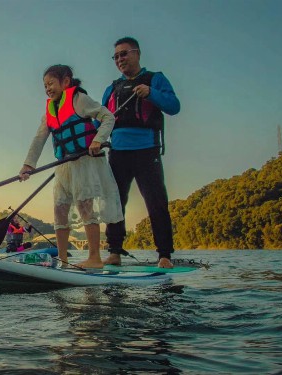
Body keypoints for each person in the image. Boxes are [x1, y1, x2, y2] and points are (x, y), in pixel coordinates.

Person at [19, 65, 122, 269]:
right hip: (64, 166)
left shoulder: (79, 99)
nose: (47, 88)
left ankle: (94, 258)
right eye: (45, 85)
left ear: (66, 82)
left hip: (85, 162)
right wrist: (28, 165)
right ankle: (64, 260)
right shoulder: (49, 110)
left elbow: (108, 117)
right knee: (59, 210)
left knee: (85, 207)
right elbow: (39, 138)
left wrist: (98, 140)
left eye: (51, 83)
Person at [101, 37, 180, 268]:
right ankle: (114, 251)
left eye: (124, 54)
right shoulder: (111, 88)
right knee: (115, 203)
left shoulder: (155, 79)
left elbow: (174, 106)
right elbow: (101, 119)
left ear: (137, 54)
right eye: (115, 56)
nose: (119, 59)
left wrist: (151, 93)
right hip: (118, 152)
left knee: (156, 202)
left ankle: (164, 255)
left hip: (147, 151)